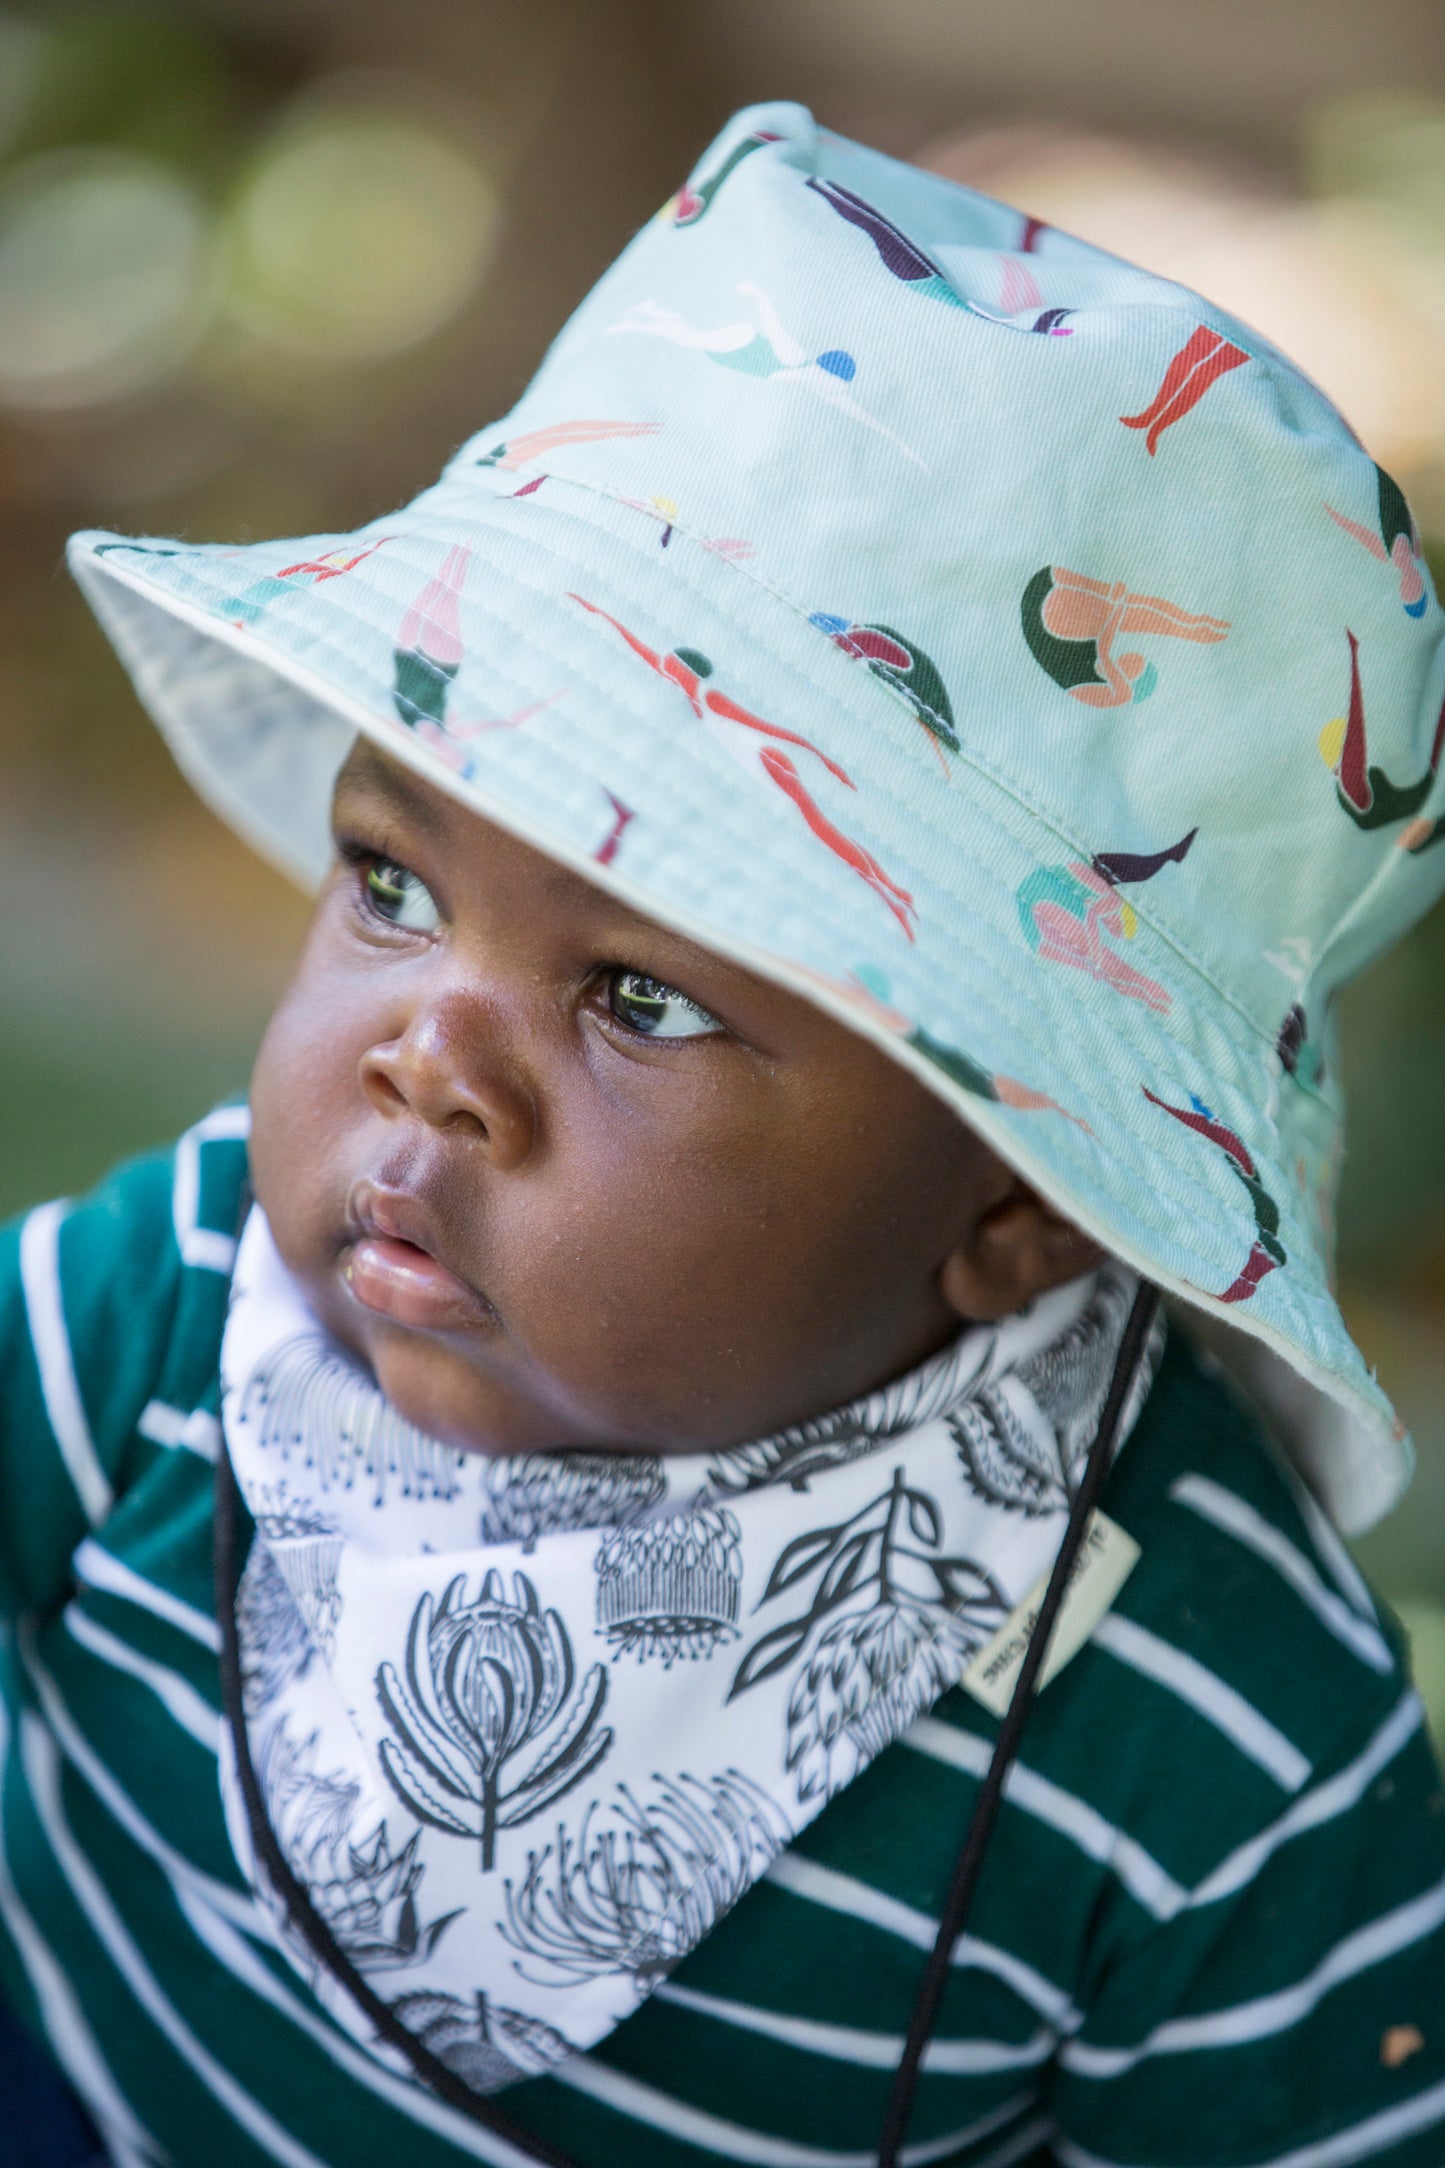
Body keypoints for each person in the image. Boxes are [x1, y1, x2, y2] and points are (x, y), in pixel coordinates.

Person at [3, 99, 1444, 2168]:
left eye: (644, 997)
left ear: (1030, 1201)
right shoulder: (175, 1297)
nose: (426, 1057)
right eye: (394, 884)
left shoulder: (1207, 1732)